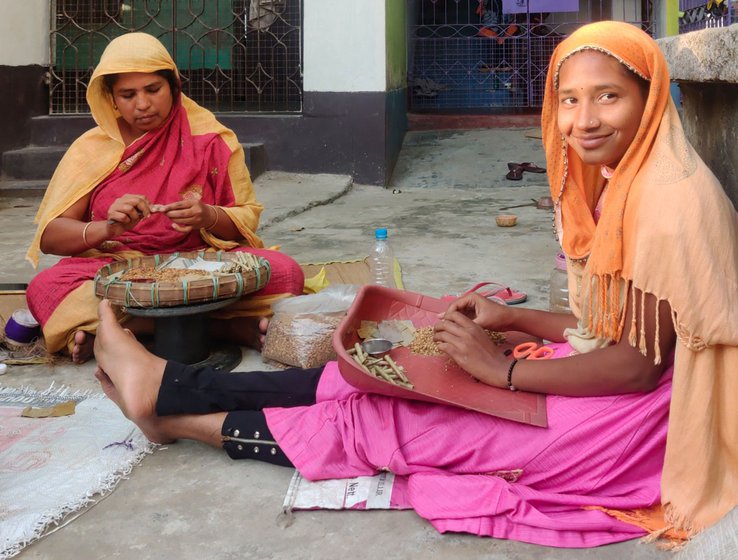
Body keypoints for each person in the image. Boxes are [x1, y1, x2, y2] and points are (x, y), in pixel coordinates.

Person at [92, 21, 738, 547]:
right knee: (380, 372)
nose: (584, 120)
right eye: (569, 99)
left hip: (646, 429)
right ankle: (173, 385)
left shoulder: (667, 204)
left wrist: (500, 373)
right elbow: (614, 330)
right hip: (622, 382)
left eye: (609, 96)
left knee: (407, 425)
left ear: (650, 100)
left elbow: (637, 369)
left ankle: (174, 417)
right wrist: (511, 321)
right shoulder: (627, 183)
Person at [26, 33, 304, 363]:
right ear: (112, 99)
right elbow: (51, 237)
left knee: (285, 274)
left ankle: (118, 332)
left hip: (200, 266)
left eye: (153, 90)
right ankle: (221, 329)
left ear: (174, 86)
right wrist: (107, 228)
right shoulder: (92, 149)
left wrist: (207, 216)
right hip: (120, 272)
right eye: (127, 95)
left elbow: (246, 218)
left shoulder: (210, 139)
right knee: (45, 289)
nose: (142, 104)